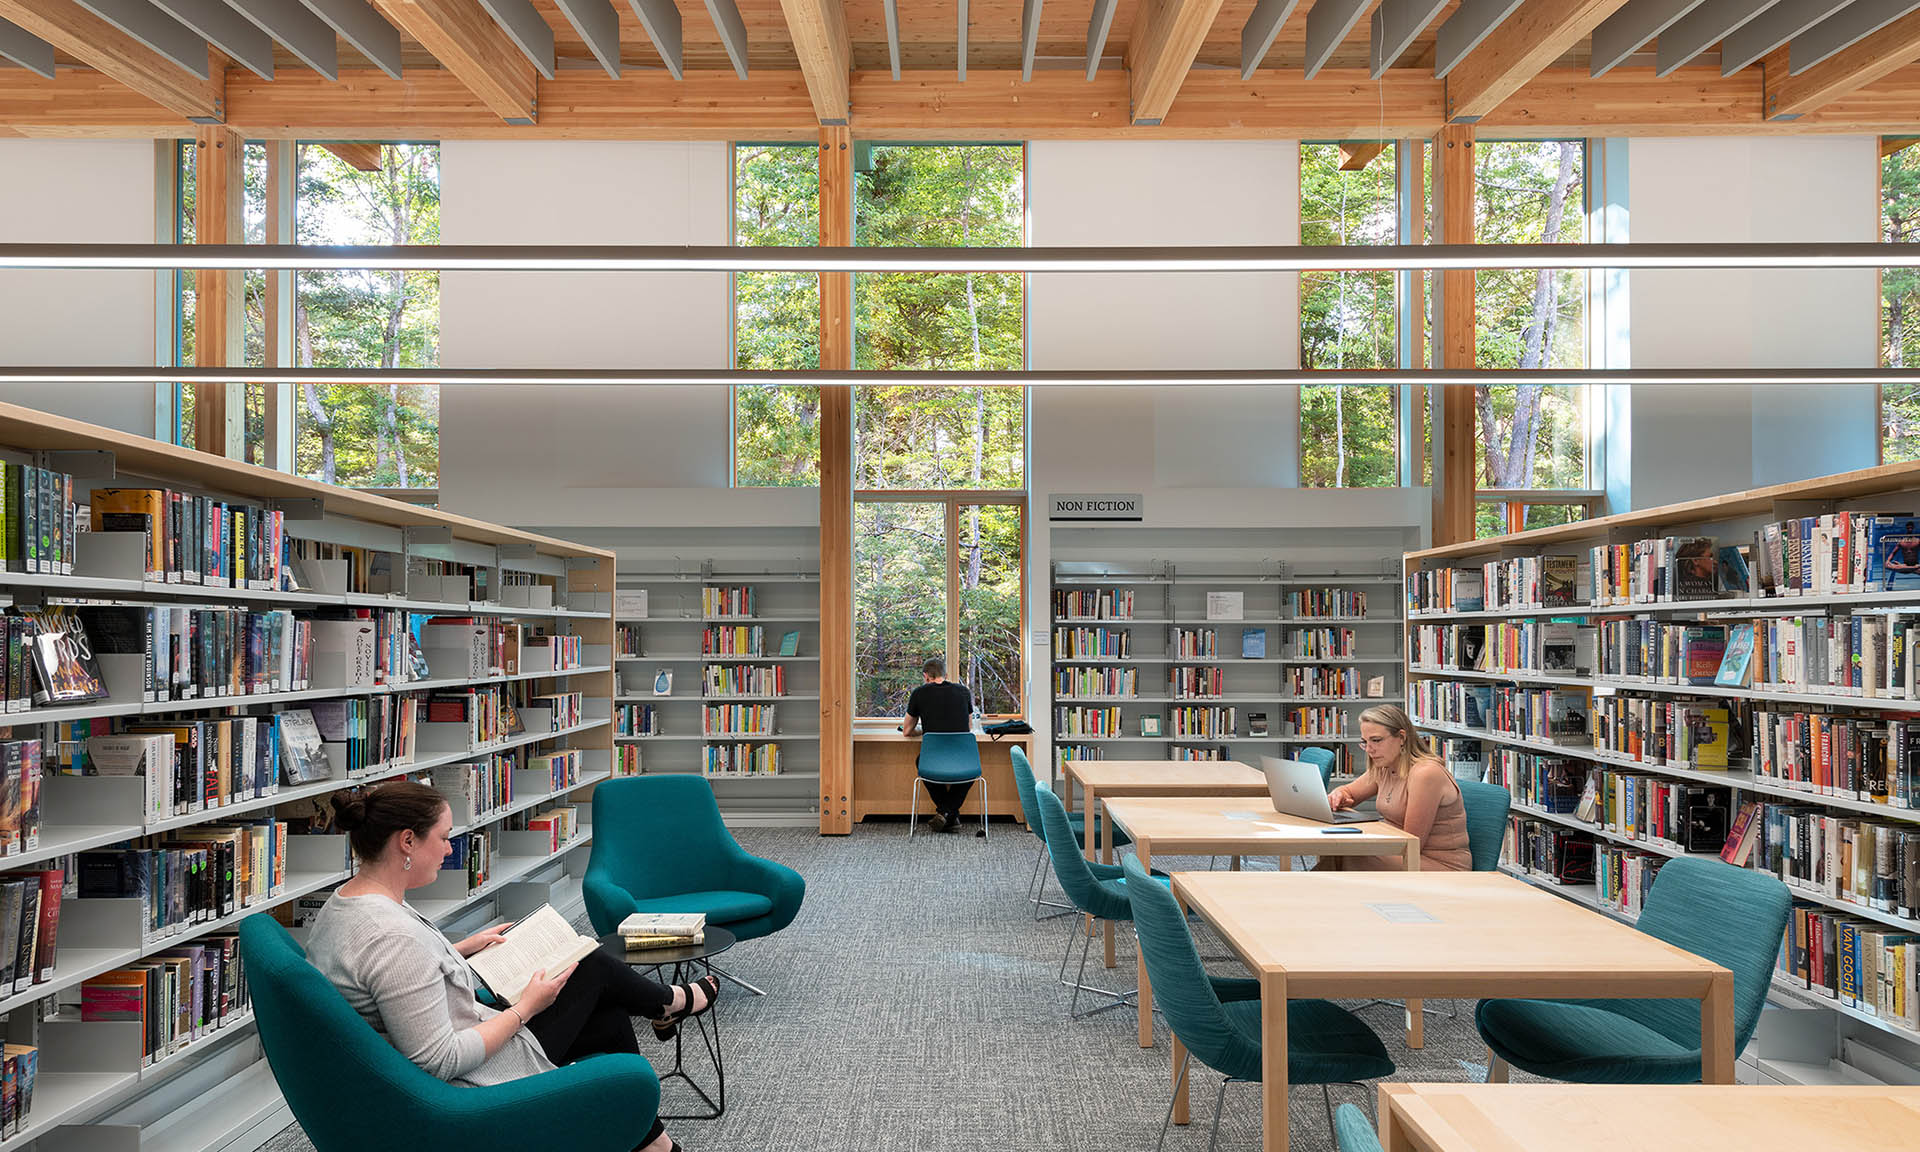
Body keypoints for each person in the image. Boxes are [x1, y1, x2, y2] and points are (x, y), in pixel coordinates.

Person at [304, 782, 716, 1152]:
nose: (451, 850)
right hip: (464, 1089)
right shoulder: (389, 937)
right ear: (407, 841)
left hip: (445, 1044)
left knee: (604, 1009)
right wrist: (526, 1009)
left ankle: (651, 1141)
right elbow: (441, 1060)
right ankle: (668, 1006)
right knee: (591, 969)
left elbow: (397, 973)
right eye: (445, 838)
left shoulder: (352, 901)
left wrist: (462, 948)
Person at [1324, 704, 1471, 872]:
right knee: (1338, 850)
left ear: (1401, 737)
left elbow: (1411, 842)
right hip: (1398, 852)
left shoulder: (1426, 773)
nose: (1370, 750)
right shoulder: (1384, 765)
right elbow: (1349, 792)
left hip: (1436, 865)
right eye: (1365, 742)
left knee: (1347, 852)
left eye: (1376, 740)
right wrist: (1339, 794)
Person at [900, 655, 977, 834]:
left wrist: (922, 731)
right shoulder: (963, 691)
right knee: (971, 769)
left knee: (922, 762)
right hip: (962, 758)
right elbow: (969, 726)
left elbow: (906, 731)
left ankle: (945, 811)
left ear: (926, 676)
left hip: (933, 759)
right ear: (946, 674)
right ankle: (950, 812)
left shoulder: (919, 693)